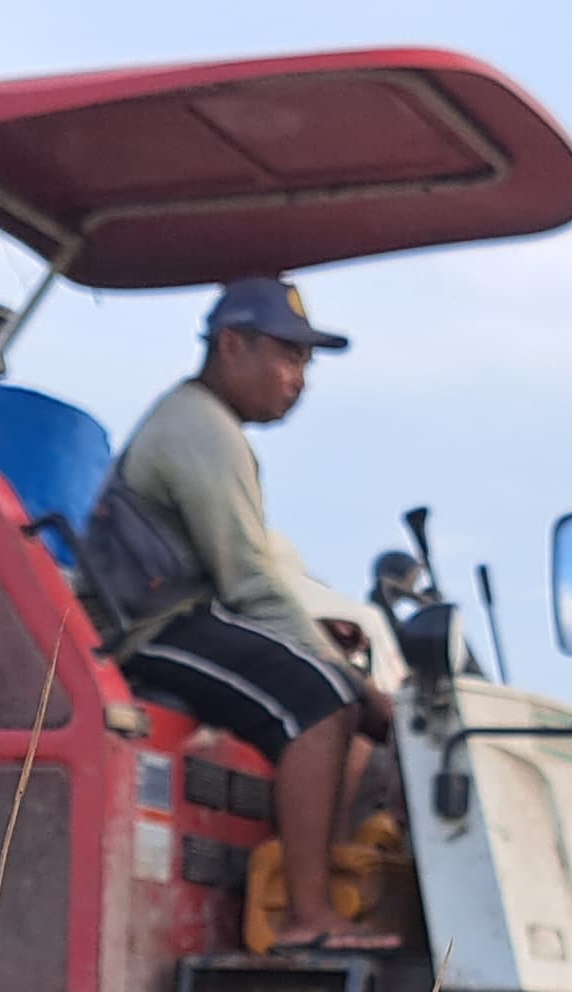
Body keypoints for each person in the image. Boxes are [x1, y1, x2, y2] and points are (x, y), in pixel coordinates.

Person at [110, 276, 399, 949]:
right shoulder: (198, 429)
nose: (298, 379)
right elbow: (251, 584)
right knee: (321, 700)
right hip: (149, 628)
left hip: (186, 614)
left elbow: (255, 581)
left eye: (305, 363)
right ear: (231, 345)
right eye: (287, 356)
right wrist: (351, 680)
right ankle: (307, 916)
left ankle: (310, 891)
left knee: (331, 691)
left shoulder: (211, 427)